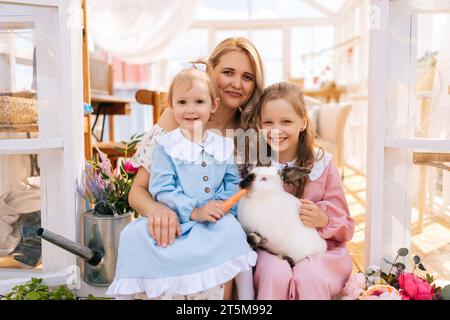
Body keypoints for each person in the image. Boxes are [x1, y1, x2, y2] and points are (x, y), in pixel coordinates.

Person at [127, 37, 265, 299]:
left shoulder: (251, 132)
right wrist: (157, 209)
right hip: (177, 224)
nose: (237, 83)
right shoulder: (177, 118)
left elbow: (254, 196)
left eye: (247, 77)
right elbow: (138, 191)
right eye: (228, 72)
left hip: (223, 231)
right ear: (210, 71)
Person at [243, 82, 355, 300]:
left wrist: (323, 219)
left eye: (286, 121)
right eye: (268, 122)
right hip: (269, 249)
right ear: (259, 124)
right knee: (275, 274)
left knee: (309, 276)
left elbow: (346, 227)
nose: (276, 130)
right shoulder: (255, 169)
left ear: (303, 122)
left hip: (318, 250)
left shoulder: (322, 166)